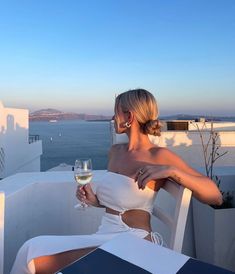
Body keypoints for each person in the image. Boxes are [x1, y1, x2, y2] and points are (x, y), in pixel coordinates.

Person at [11, 89, 222, 274]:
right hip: (104, 235)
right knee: (31, 248)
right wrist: (94, 200)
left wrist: (172, 170)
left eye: (116, 112)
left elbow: (216, 196)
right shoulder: (115, 151)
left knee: (35, 262)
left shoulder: (158, 155)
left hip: (133, 241)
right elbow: (118, 200)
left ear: (129, 116)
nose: (113, 117)